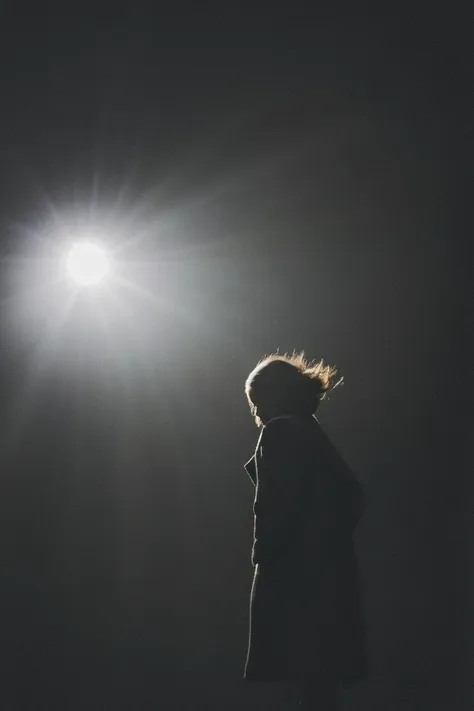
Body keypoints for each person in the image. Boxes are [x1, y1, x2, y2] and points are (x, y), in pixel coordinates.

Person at [243, 352, 368, 710]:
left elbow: (275, 508)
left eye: (258, 402)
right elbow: (352, 498)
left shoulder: (281, 431)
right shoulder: (310, 431)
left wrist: (266, 552)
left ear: (274, 396)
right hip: (326, 576)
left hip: (297, 580)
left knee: (301, 677)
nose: (257, 413)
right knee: (319, 682)